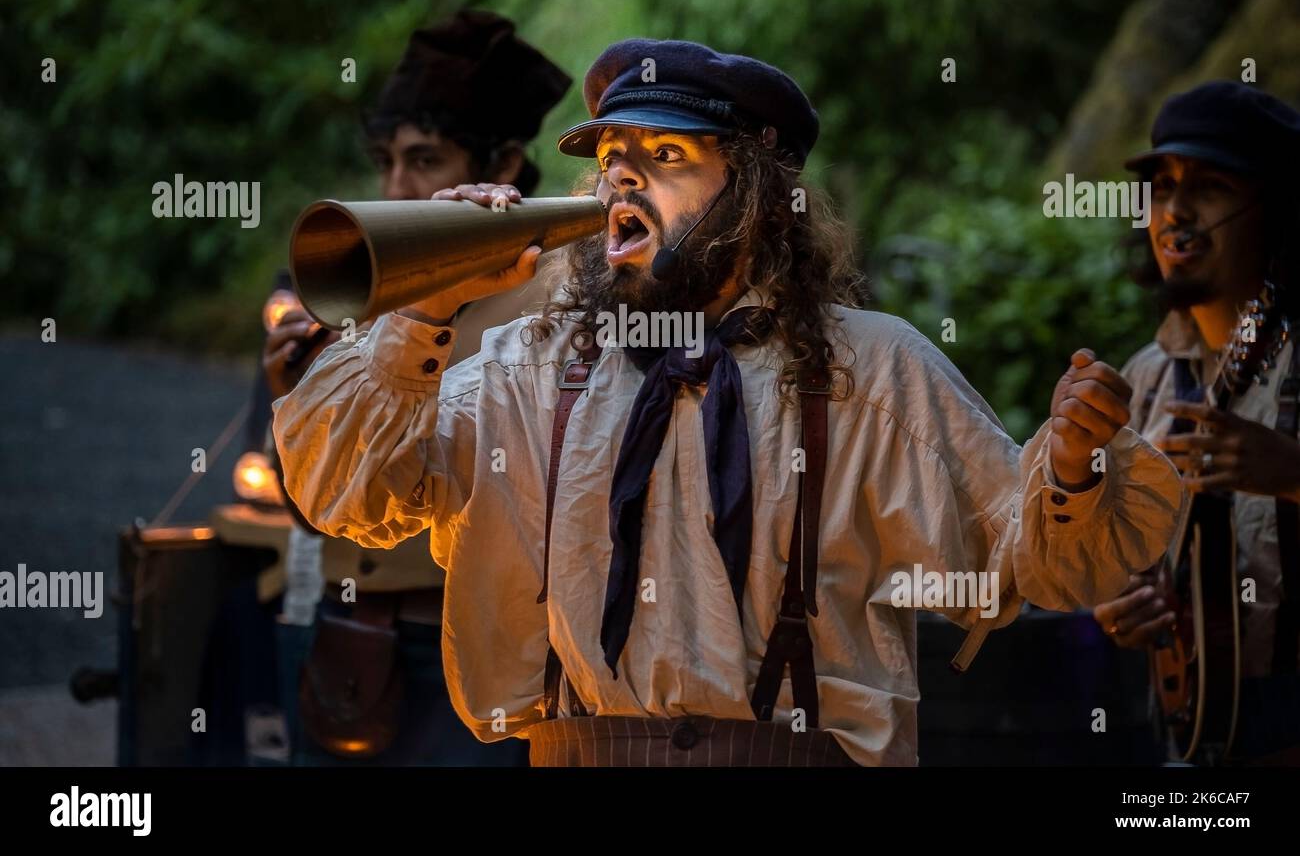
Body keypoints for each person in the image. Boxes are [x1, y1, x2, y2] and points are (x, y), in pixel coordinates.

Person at [273, 38, 1184, 766]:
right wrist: (428, 306)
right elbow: (348, 492)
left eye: (665, 156)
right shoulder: (529, 366)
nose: (623, 177)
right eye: (613, 158)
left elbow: (1033, 566)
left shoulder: (874, 367)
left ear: (757, 194)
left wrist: (1070, 470)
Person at [261, 10, 569, 765]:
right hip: (338, 622)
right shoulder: (359, 264)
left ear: (501, 168)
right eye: (388, 160)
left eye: (425, 160)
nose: (397, 186)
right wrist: (293, 394)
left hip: (476, 655)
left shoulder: (567, 291)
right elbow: (312, 497)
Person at [1092, 81, 1300, 764]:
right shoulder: (1147, 376)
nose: (1175, 211)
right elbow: (1118, 560)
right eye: (1162, 187)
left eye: (1208, 187)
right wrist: (1123, 602)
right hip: (1190, 740)